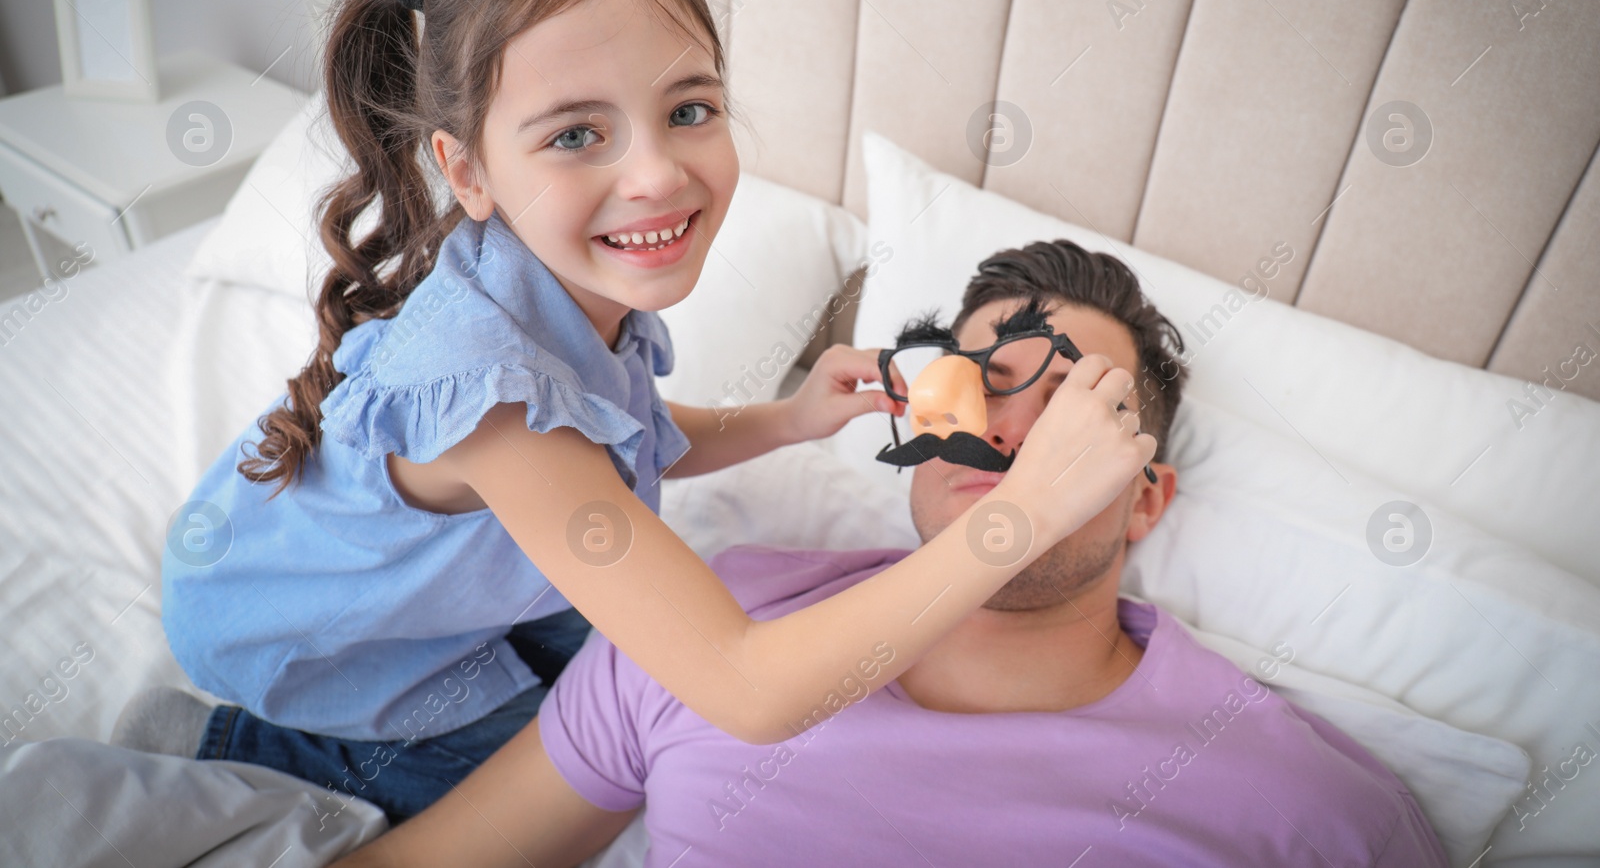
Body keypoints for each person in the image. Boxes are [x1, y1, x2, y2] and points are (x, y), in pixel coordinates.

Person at [113, 0, 1158, 823]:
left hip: (434, 588)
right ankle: (236, 758)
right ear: (467, 171)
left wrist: (787, 418)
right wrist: (1020, 515)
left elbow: (631, 431)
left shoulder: (565, 296)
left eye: (688, 110)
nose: (656, 172)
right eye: (576, 134)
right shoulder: (500, 404)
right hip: (325, 658)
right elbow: (746, 689)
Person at [329, 240, 1449, 867]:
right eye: (975, 385)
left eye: (1066, 412)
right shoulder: (715, 622)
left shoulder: (1300, 801)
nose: (1004, 431)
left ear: (1142, 496)